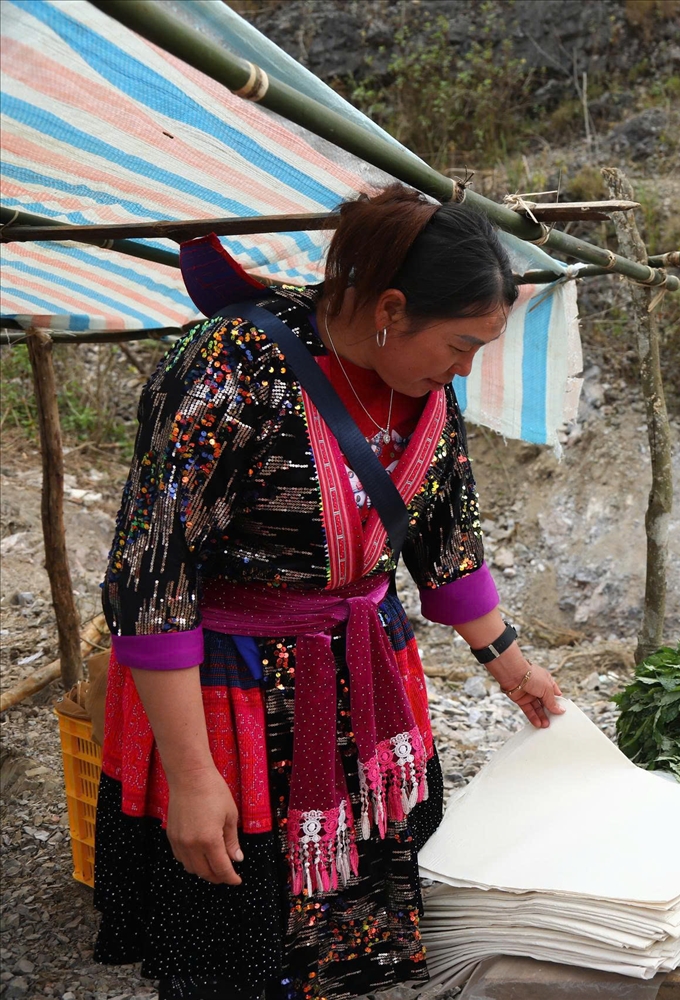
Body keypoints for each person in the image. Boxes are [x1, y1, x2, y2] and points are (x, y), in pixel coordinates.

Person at [94, 185, 566, 1000]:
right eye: (460, 345)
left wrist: (514, 667)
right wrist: (195, 777)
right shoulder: (226, 367)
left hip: (368, 680)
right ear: (389, 308)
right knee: (235, 936)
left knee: (362, 927)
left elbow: (448, 545)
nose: (465, 369)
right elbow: (152, 578)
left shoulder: (425, 392)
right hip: (229, 698)